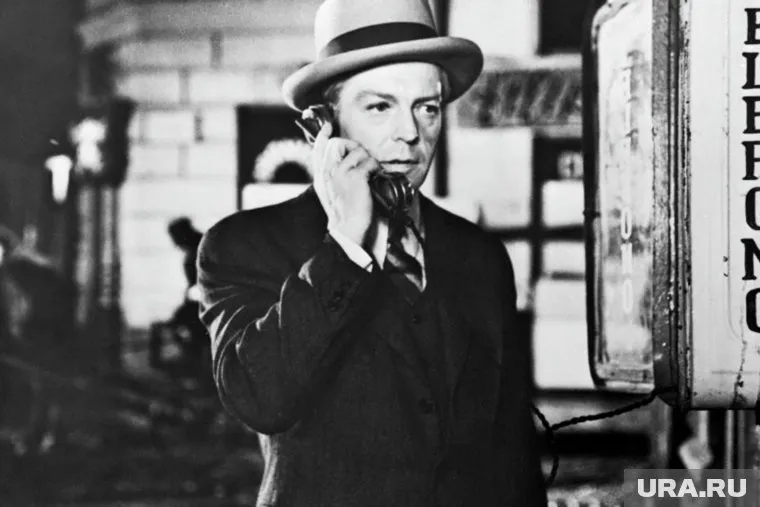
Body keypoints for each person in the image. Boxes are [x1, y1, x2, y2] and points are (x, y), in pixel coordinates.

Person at [196, 0, 547, 505]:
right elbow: (260, 398)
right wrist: (344, 244)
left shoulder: (480, 255)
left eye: (427, 107)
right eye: (380, 107)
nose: (411, 132)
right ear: (323, 127)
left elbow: (512, 443)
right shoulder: (244, 245)